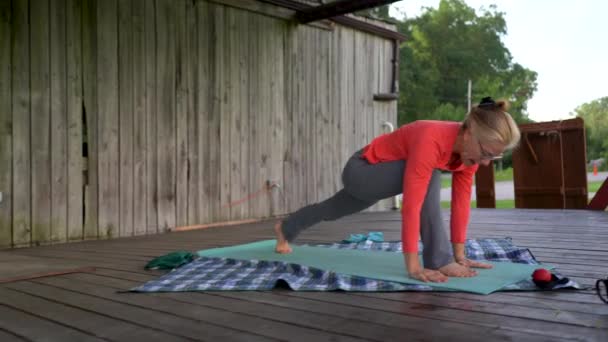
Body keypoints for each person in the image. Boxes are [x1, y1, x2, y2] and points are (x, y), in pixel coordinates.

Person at [273, 97, 521, 283]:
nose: (486, 162)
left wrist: (460, 255)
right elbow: (412, 206)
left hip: (378, 181)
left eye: (494, 157)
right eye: (487, 154)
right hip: (362, 170)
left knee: (331, 209)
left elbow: (460, 205)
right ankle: (438, 258)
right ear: (468, 134)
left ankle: (286, 228)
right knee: (431, 175)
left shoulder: (470, 156)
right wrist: (413, 267)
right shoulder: (432, 139)